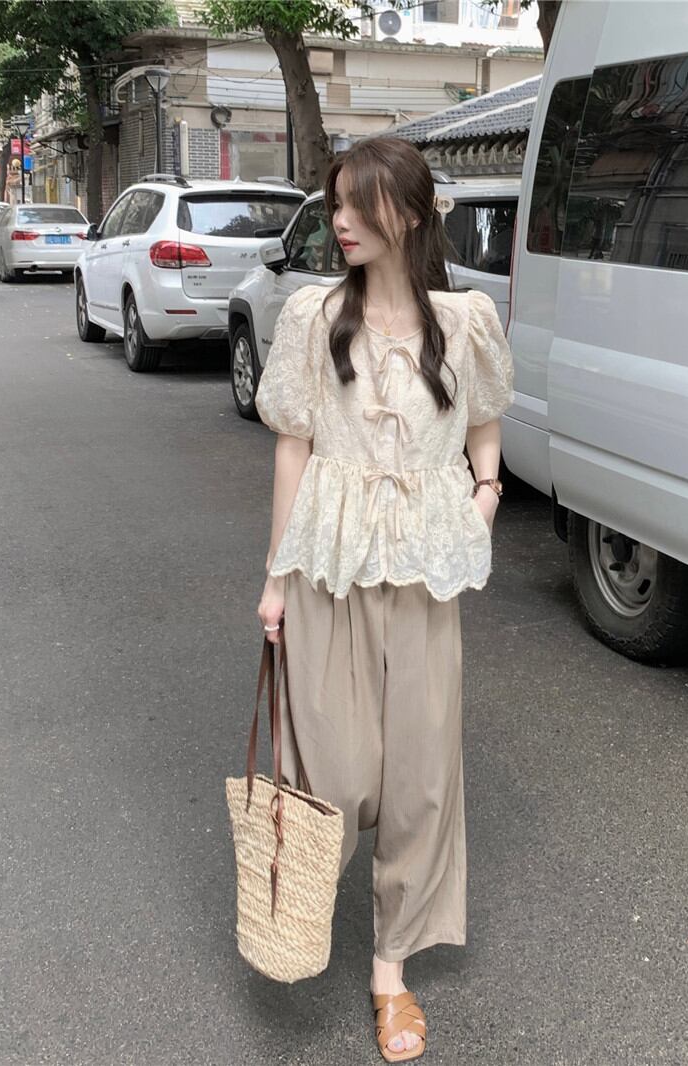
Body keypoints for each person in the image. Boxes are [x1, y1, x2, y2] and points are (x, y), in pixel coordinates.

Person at [254, 135, 514, 1062]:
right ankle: (308, 905)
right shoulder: (314, 316)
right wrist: (276, 576)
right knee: (337, 771)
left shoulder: (465, 320)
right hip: (328, 568)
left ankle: (391, 969)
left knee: (419, 780)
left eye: (357, 204)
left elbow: (485, 415)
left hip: (425, 571)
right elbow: (292, 446)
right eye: (335, 204)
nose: (339, 221)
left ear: (408, 212)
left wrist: (485, 494)